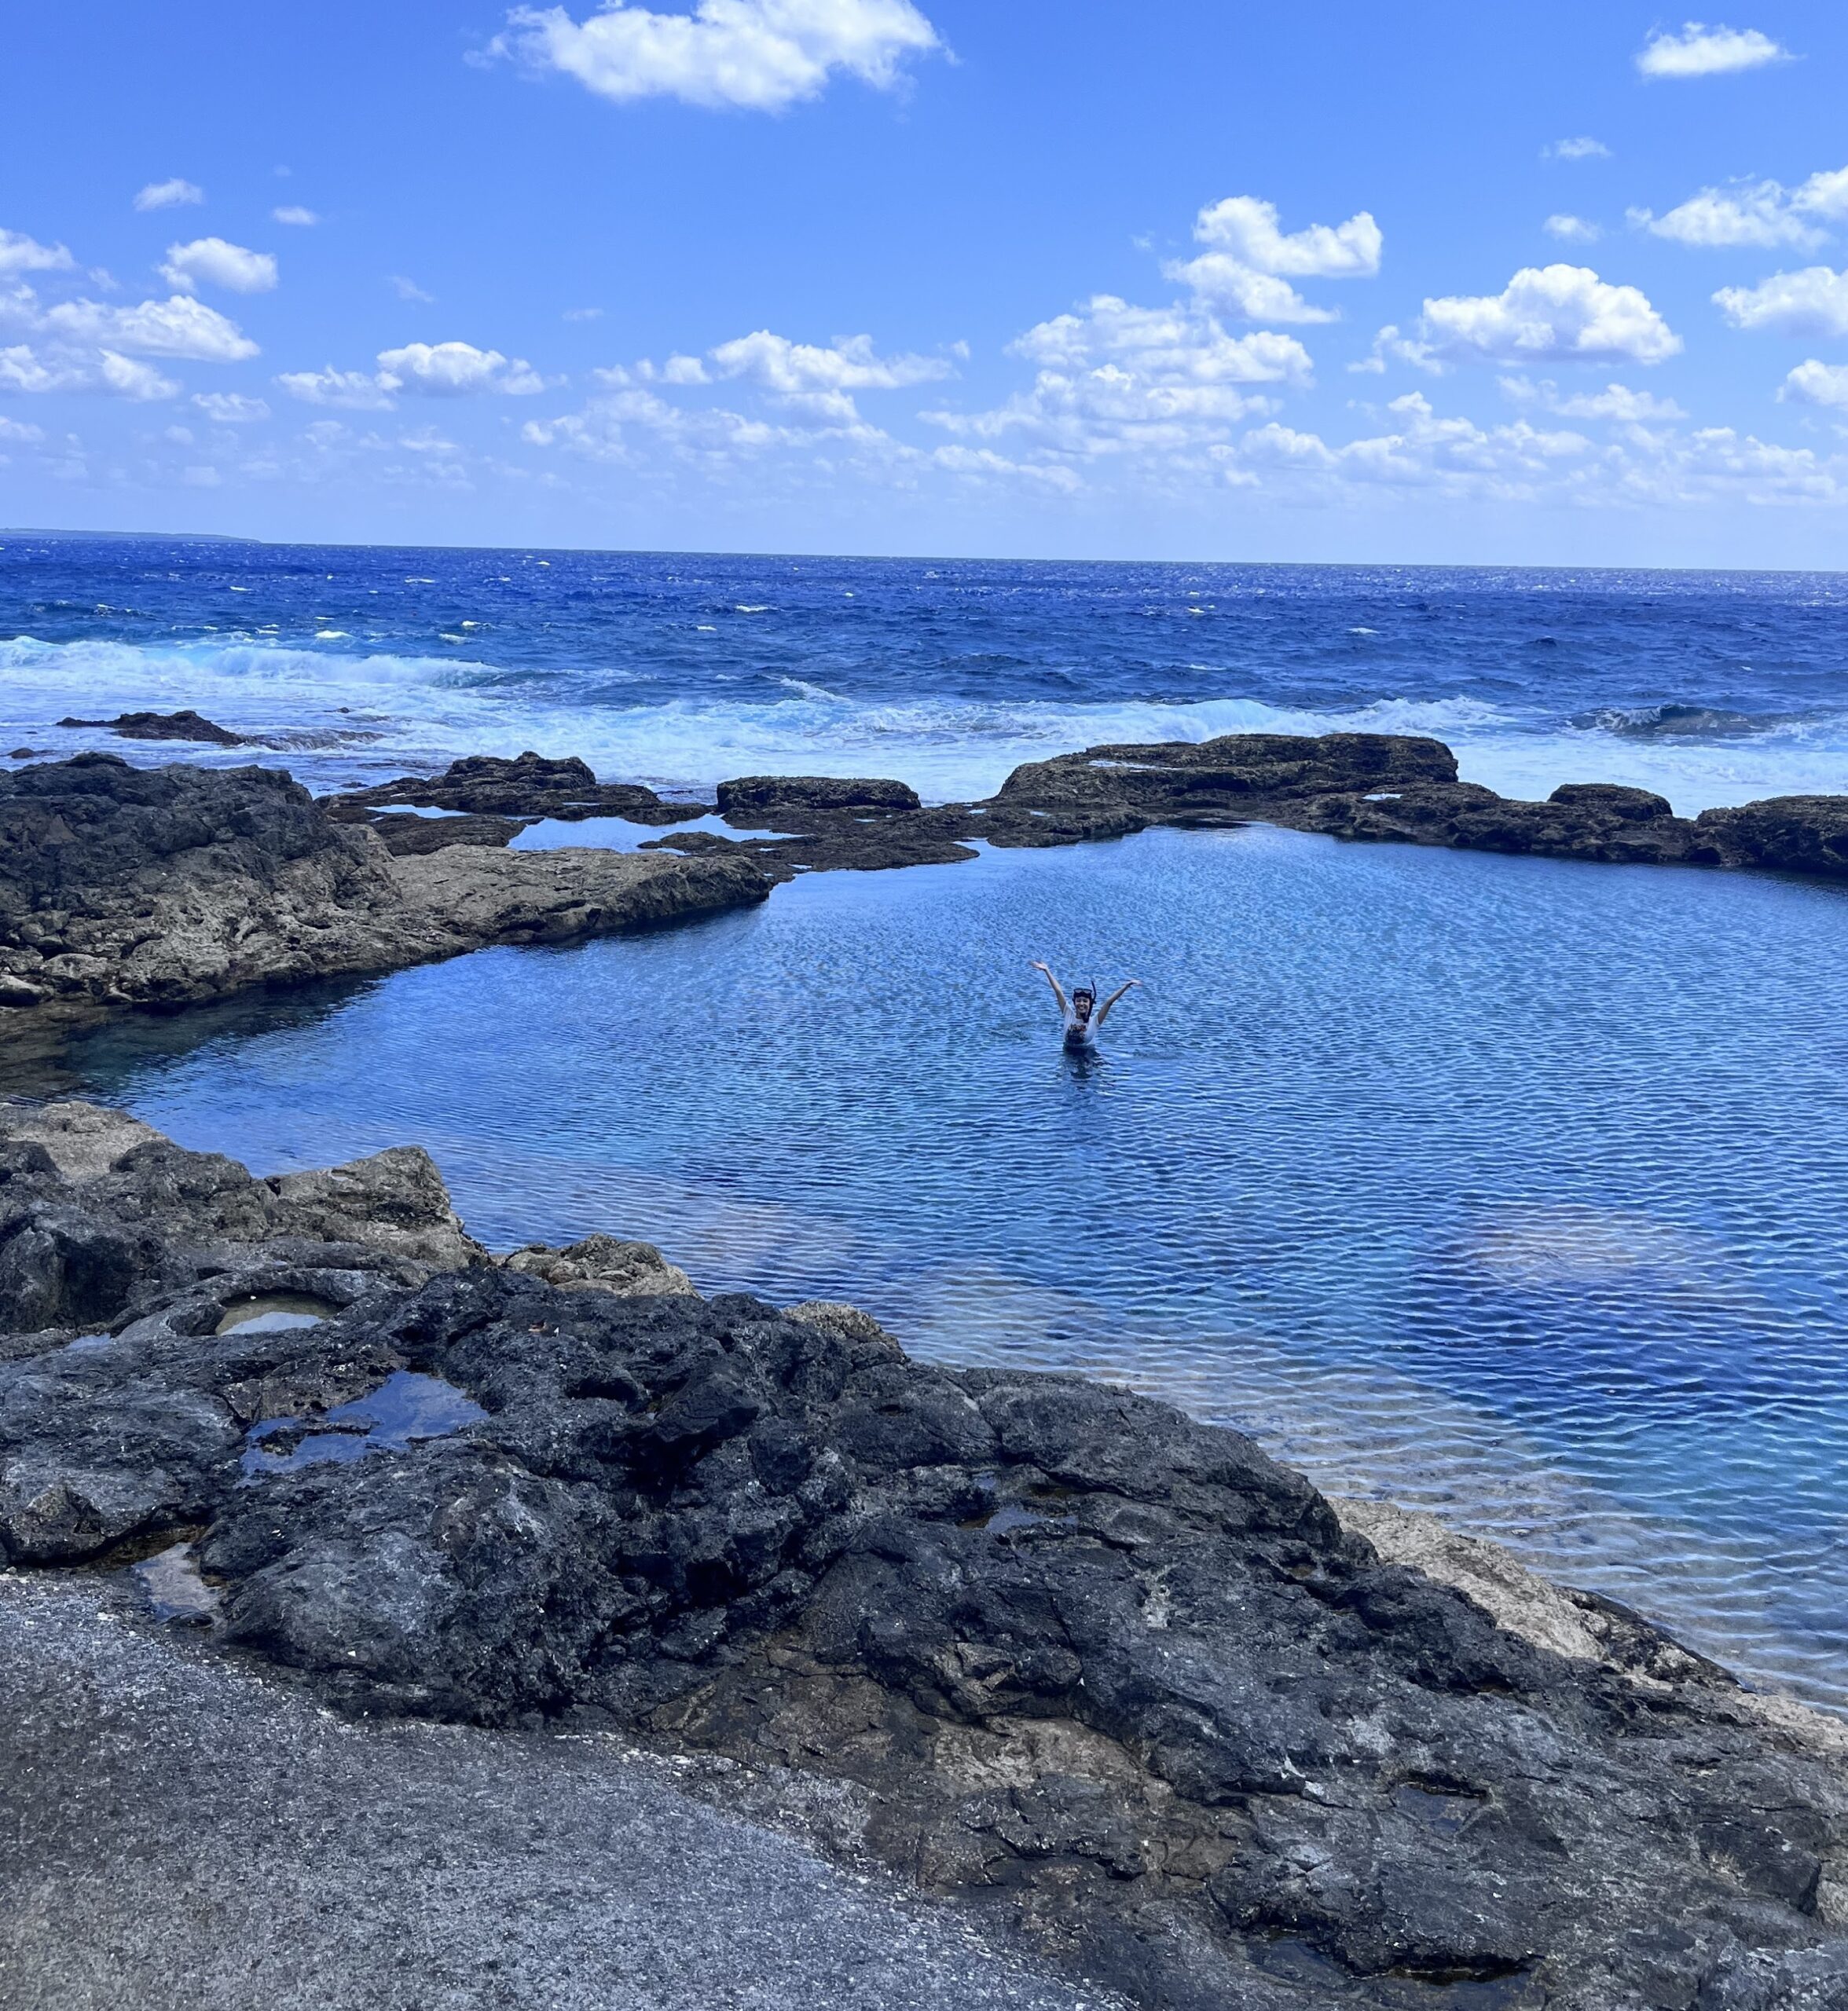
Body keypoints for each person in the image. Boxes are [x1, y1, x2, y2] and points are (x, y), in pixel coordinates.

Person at [1030, 962, 1140, 1050]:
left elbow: (1109, 1003)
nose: (1081, 1004)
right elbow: (1058, 991)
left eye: (1085, 1001)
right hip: (1068, 1052)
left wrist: (1127, 985)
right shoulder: (1068, 1013)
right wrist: (1047, 970)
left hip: (1087, 1054)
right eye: (1078, 1001)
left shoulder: (1095, 1021)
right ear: (1075, 1002)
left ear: (1090, 1003)